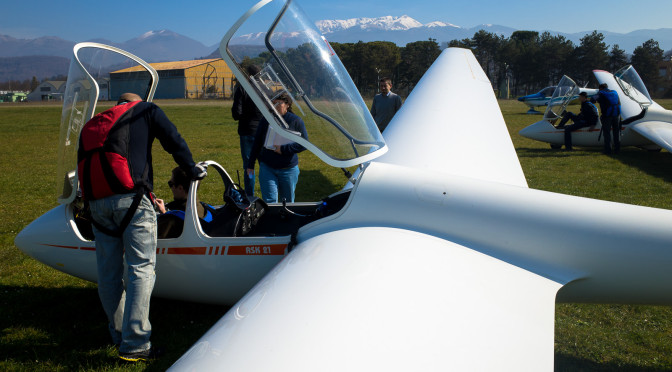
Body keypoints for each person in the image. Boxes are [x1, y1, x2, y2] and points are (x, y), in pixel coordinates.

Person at [77, 92, 205, 362]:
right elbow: (173, 140)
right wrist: (191, 169)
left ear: (117, 106)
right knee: (140, 269)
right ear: (135, 102)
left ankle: (118, 334)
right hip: (132, 200)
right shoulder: (145, 110)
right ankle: (135, 344)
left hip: (97, 205)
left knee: (109, 274)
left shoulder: (97, 124)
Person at [246, 92, 308, 203]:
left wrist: (283, 149)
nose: (275, 107)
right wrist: (250, 164)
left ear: (287, 104)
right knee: (269, 202)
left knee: (288, 202)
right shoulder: (266, 120)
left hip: (288, 169)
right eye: (273, 104)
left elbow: (304, 144)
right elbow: (257, 143)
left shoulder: (296, 121)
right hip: (267, 168)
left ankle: (287, 220)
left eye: (279, 103)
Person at [232, 65, 264, 196]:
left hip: (246, 131)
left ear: (248, 75)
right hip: (262, 132)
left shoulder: (242, 89)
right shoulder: (264, 90)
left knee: (248, 166)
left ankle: (250, 195)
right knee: (264, 165)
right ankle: (268, 193)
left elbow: (236, 113)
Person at [155, 167, 212, 239]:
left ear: (180, 188)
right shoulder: (204, 208)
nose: (171, 188)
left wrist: (165, 216)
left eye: (171, 184)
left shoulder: (171, 219)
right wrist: (164, 212)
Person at [592, 83, 621, 154]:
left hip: (607, 116)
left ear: (601, 88)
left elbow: (592, 99)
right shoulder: (614, 92)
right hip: (617, 115)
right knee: (616, 132)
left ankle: (608, 150)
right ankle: (617, 149)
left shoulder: (601, 93)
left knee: (607, 133)